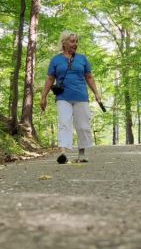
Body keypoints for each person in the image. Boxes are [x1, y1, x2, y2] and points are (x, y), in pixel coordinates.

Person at [40, 31, 102, 164]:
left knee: (83, 125)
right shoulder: (56, 60)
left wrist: (96, 93)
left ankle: (82, 153)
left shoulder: (82, 59)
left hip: (81, 96)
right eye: (72, 41)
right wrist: (43, 97)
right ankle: (63, 153)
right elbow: (50, 78)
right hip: (63, 97)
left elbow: (89, 77)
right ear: (64, 43)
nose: (75, 44)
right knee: (64, 123)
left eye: (76, 41)